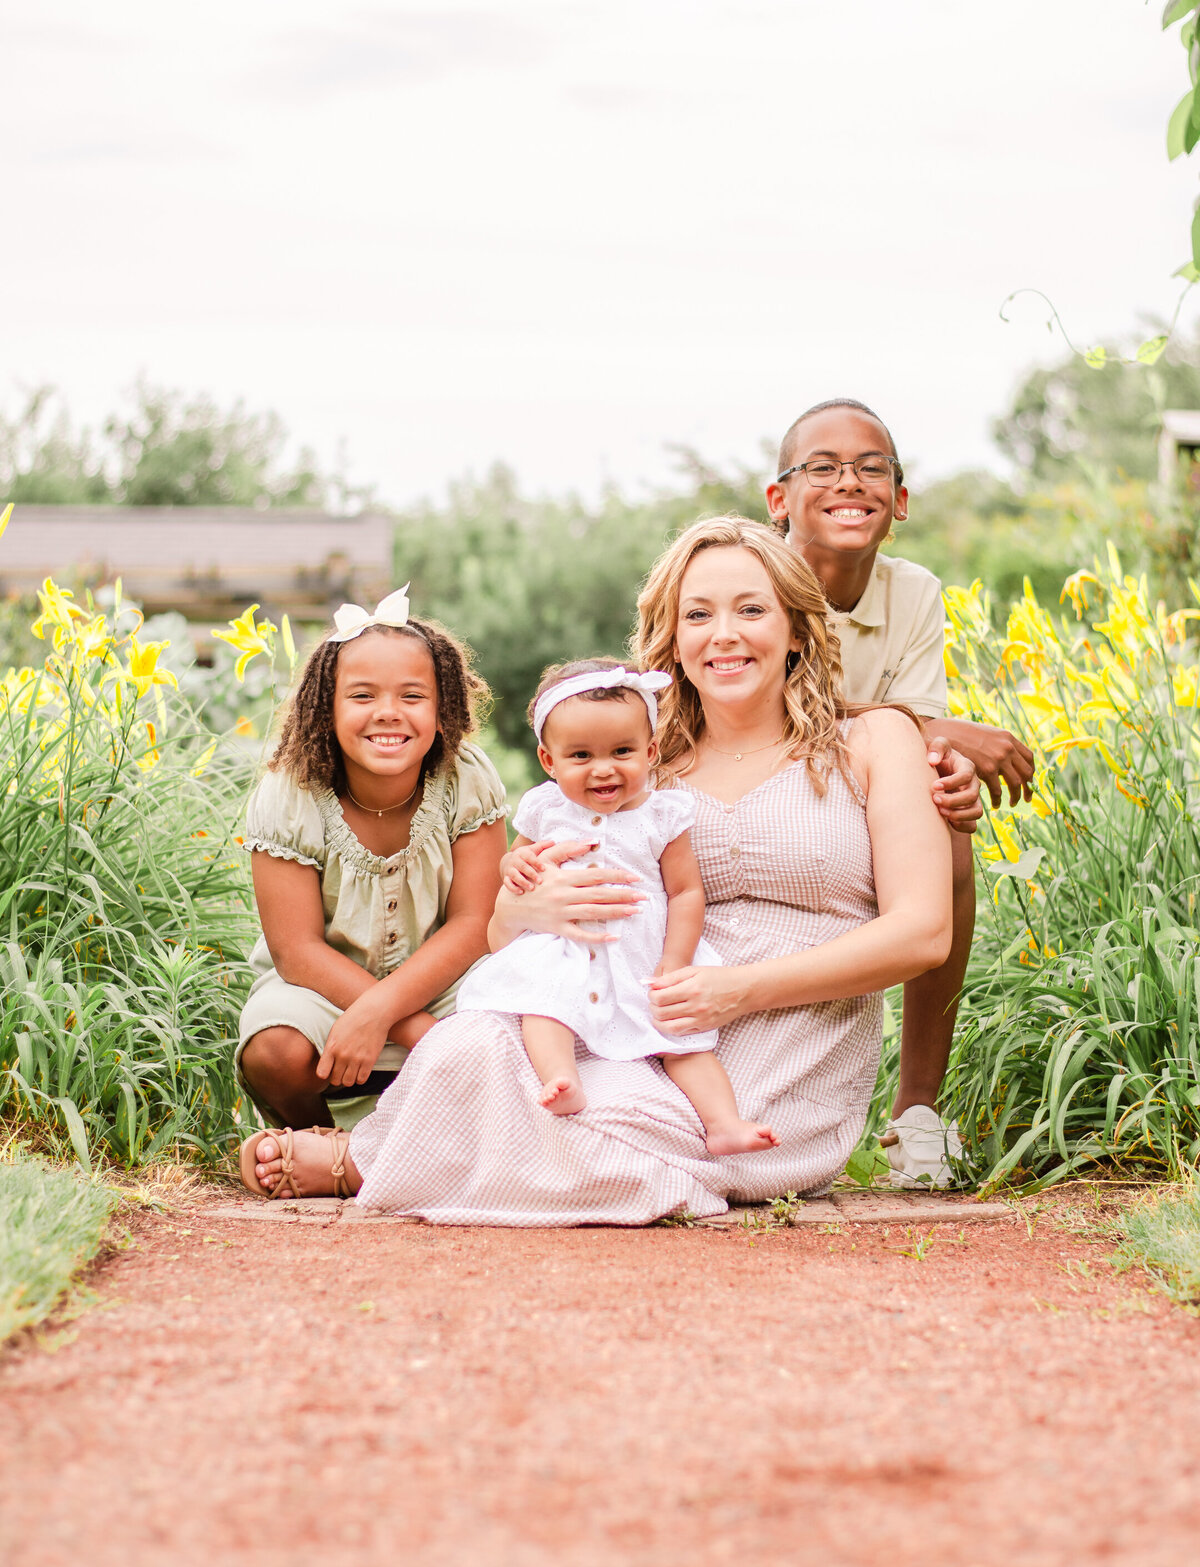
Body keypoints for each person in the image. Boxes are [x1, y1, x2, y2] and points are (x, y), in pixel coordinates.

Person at [242, 517, 951, 1221]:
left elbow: (923, 934)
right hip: (628, 1022)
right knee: (484, 1041)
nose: (723, 634)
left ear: (797, 628)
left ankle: (361, 1163)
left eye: (752, 610)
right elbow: (502, 932)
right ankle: (390, 1155)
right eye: (698, 614)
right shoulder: (633, 761)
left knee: (633, 1133)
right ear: (672, 638)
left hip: (785, 1044)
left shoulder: (873, 740)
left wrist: (735, 990)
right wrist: (523, 911)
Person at [765, 397, 1030, 1185]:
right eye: (823, 466)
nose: (850, 481)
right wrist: (947, 733)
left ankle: (917, 1115)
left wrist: (941, 757)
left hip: (848, 781)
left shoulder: (911, 591)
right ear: (779, 497)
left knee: (949, 821)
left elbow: (914, 733)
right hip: (744, 776)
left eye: (871, 467)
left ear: (901, 499)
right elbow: (747, 709)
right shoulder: (752, 575)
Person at [236, 586, 508, 1191]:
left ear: (444, 709)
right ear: (324, 708)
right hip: (323, 988)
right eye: (362, 695)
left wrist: (391, 1010)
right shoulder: (290, 794)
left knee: (505, 1040)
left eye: (413, 696)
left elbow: (474, 924)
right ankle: (330, 1150)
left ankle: (383, 1161)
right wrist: (393, 1022)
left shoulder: (466, 777)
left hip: (444, 982)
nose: (389, 712)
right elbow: (296, 951)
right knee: (275, 1049)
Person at [458, 657, 778, 1154]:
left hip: (641, 951)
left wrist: (675, 959)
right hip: (563, 950)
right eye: (581, 755)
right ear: (549, 761)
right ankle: (562, 1079)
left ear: (650, 751)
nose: (604, 769)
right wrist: (512, 867)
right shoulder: (547, 809)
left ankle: (724, 1122)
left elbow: (686, 891)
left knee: (683, 1039)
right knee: (544, 1009)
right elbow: (518, 854)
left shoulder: (663, 815)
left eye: (622, 751)